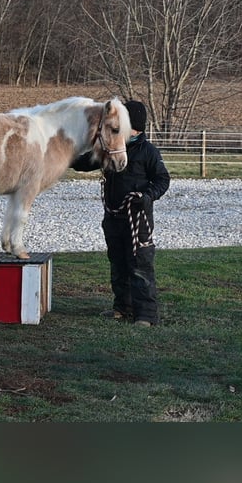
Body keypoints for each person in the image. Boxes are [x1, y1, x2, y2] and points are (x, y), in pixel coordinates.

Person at [72, 100, 170, 326]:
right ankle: (122, 307)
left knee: (140, 265)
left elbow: (162, 180)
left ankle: (146, 314)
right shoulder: (111, 148)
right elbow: (87, 162)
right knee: (118, 264)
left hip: (138, 219)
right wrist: (66, 158)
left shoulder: (148, 152)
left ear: (135, 126)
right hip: (113, 217)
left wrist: (146, 196)